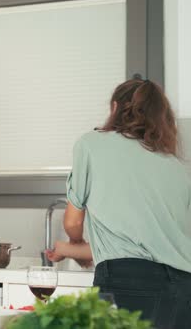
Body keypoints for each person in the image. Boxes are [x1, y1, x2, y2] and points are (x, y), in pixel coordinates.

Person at [46, 78, 191, 329]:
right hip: (183, 287)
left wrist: (74, 240)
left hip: (130, 284)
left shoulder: (92, 144)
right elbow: (147, 245)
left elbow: (72, 222)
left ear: (115, 108)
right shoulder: (177, 167)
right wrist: (69, 250)